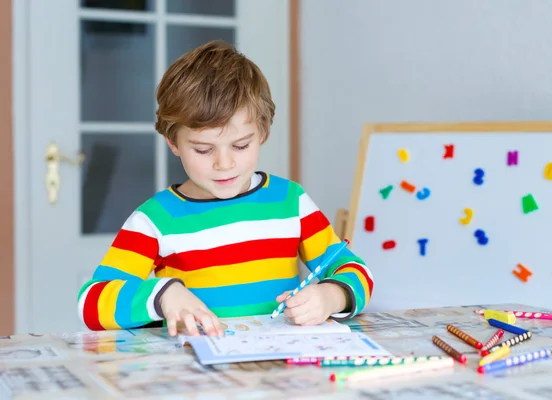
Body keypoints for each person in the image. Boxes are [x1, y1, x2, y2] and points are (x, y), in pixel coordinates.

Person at [77, 40, 374, 337]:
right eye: (204, 150)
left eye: (240, 145)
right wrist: (163, 295)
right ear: (173, 143)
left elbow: (357, 272)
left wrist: (331, 297)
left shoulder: (290, 202)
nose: (224, 163)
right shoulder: (155, 219)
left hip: (281, 370)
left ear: (263, 133)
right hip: (198, 375)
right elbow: (91, 301)